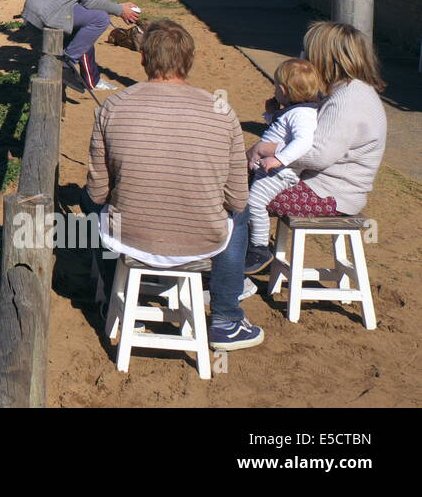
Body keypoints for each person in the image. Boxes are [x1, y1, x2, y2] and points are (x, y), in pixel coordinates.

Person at [83, 19, 262, 350]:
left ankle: (112, 298)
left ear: (143, 59)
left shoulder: (113, 106)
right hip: (201, 240)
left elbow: (98, 190)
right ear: (190, 61)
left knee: (91, 206)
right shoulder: (222, 112)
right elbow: (237, 198)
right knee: (241, 214)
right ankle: (226, 317)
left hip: (128, 236)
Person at [250, 20, 387, 247]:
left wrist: (266, 149)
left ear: (325, 58)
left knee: (237, 194)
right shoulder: (343, 92)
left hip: (329, 195)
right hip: (320, 187)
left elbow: (318, 155)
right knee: (236, 184)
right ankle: (245, 254)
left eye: (308, 54)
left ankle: (245, 260)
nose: (304, 60)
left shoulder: (348, 99)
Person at [243, 58, 324, 274]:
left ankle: (259, 247)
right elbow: (280, 133)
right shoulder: (295, 111)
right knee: (245, 200)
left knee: (255, 203)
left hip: (280, 173)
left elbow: (303, 143)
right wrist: (271, 114)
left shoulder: (302, 115)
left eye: (276, 86)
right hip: (273, 169)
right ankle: (250, 241)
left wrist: (279, 159)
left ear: (283, 89)